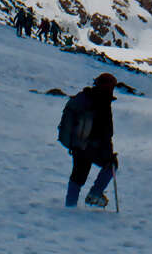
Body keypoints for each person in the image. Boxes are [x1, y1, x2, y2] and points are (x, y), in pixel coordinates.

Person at [58, 73, 119, 208]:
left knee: (78, 174)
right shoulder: (103, 101)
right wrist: (109, 152)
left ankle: (70, 205)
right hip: (93, 145)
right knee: (111, 165)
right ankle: (95, 194)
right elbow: (106, 131)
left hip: (78, 144)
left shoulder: (85, 97)